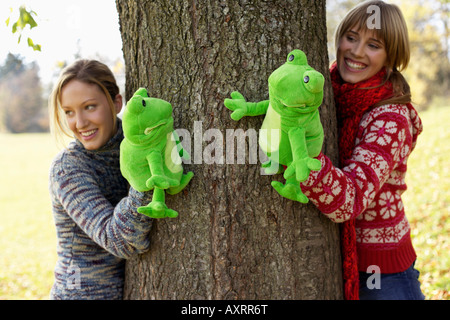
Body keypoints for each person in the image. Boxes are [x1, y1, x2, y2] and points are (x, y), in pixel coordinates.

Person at [300, 0, 425, 300]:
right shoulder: (331, 89)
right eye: (351, 37)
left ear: (390, 56)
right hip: (343, 259)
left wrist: (302, 157)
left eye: (373, 45)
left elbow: (350, 199)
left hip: (383, 274)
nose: (356, 52)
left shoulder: (390, 119)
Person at [48, 60, 153, 299]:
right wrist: (145, 177)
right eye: (69, 112)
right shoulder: (68, 169)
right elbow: (118, 240)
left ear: (116, 103)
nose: (80, 123)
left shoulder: (133, 145)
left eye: (89, 107)